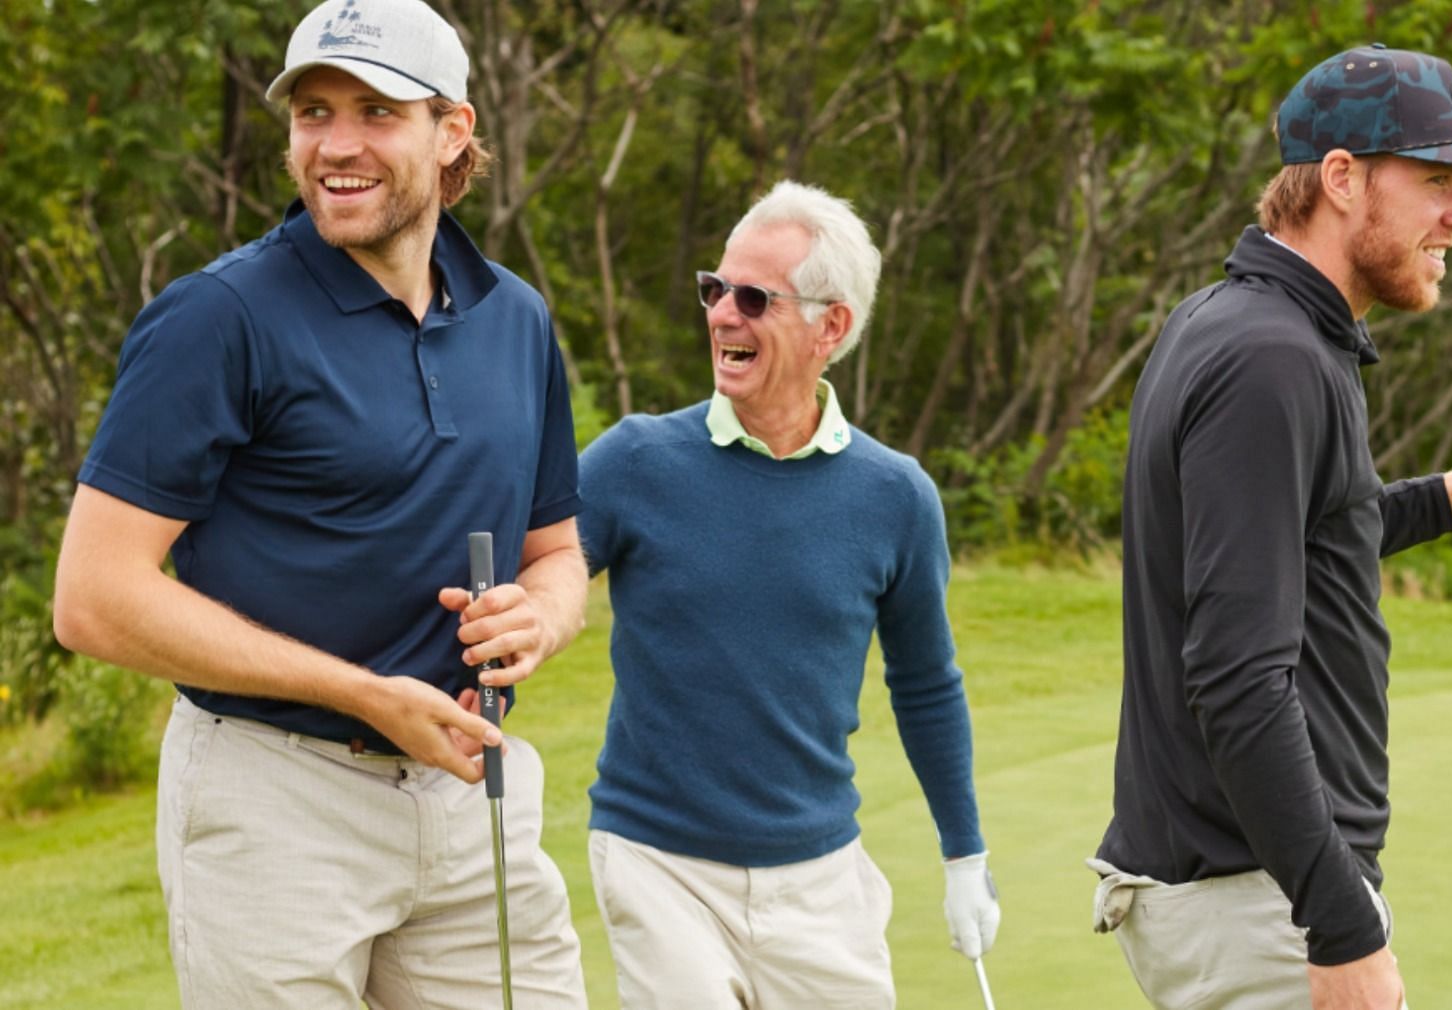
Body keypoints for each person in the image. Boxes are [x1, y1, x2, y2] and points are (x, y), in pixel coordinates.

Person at [52, 1, 589, 1006]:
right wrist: (361, 691)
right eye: (312, 112)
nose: (336, 145)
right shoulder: (219, 316)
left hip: (471, 796)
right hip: (274, 802)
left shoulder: (515, 318)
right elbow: (93, 596)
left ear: (453, 131)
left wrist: (543, 614)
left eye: (376, 111)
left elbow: (556, 549)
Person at [1090, 45, 1452, 1010]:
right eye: (1439, 181)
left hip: (1251, 891)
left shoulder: (1237, 321)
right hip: (1260, 901)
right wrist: (1339, 921)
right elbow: (1236, 676)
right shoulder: (1272, 358)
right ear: (1343, 178)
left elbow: (1299, 538)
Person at [576, 180, 1000, 1008]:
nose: (723, 314)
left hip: (822, 881)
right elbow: (535, 575)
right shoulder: (634, 463)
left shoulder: (896, 496)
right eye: (715, 289)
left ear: (830, 326)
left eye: (754, 298)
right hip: (657, 862)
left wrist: (965, 857)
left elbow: (925, 684)